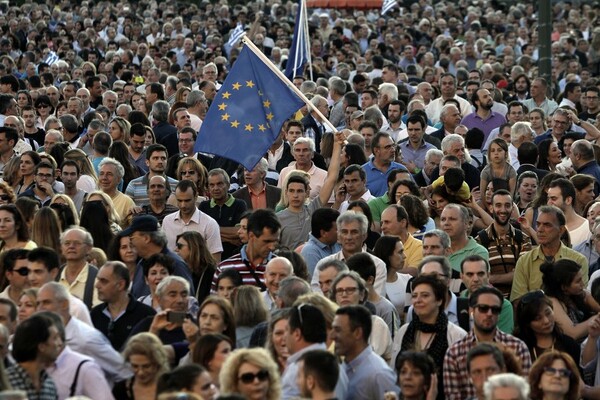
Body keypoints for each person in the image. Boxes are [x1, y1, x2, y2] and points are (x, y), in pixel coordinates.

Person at [443, 286, 531, 400]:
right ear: (471, 310)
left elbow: (525, 392)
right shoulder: (454, 352)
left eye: (495, 309)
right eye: (483, 308)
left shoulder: (517, 347)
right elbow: (453, 397)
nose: (489, 313)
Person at [37, 281, 131, 385]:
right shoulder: (41, 337)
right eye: (38, 303)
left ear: (64, 304)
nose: (40, 308)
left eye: (46, 302)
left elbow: (124, 371)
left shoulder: (87, 339)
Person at [391, 275, 467, 396]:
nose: (418, 300)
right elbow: (394, 373)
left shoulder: (456, 335)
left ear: (439, 300)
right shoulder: (404, 331)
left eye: (425, 295)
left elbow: (464, 383)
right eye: (414, 296)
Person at [511, 206, 589, 302]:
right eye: (538, 224)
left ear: (561, 230)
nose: (539, 229)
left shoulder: (578, 260)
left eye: (547, 225)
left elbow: (581, 297)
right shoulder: (524, 261)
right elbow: (518, 301)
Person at [330, 305, 399, 399]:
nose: (332, 336)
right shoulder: (343, 368)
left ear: (357, 333)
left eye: (338, 330)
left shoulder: (379, 375)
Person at [281, 303, 347, 399]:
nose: (284, 336)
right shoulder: (336, 364)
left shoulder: (298, 369)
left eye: (286, 330)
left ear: (297, 334)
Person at [123, 215, 194, 298]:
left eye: (132, 238)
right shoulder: (141, 263)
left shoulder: (176, 264)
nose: (131, 243)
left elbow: (188, 301)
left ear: (146, 238)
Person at [91, 261, 157, 351]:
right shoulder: (95, 314)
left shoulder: (146, 315)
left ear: (121, 285)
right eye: (98, 280)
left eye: (103, 281)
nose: (97, 285)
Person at [212, 209, 281, 290]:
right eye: (267, 241)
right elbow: (215, 301)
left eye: (275, 241)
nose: (272, 247)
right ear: (251, 236)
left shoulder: (282, 269)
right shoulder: (224, 268)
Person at [162, 180, 223, 261]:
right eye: (179, 200)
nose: (183, 205)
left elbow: (215, 260)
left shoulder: (209, 224)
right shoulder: (167, 221)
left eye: (187, 200)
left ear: (196, 197)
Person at [514, 290, 580, 364]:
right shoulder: (517, 348)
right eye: (538, 318)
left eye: (548, 313)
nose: (546, 321)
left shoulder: (569, 345)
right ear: (527, 323)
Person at [541, 259, 599, 341]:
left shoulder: (577, 293)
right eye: (578, 281)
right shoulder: (552, 302)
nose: (582, 284)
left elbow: (591, 300)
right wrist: (597, 318)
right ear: (564, 287)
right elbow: (573, 333)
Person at [7, 313, 60, 399]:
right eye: (55, 338)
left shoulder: (49, 385)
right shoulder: (6, 382)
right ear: (41, 346)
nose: (59, 343)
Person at [129, 276, 192, 345]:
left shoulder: (196, 325)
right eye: (173, 295)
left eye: (184, 295)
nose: (180, 300)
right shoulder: (148, 324)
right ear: (159, 299)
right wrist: (154, 330)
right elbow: (128, 352)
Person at [200, 169, 247, 259]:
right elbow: (201, 234)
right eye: (212, 185)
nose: (216, 188)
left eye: (220, 184)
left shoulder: (239, 204)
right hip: (209, 258)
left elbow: (239, 232)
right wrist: (228, 238)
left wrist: (210, 231)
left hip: (233, 257)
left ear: (228, 185)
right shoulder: (204, 206)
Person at [460, 255, 514, 333]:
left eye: (480, 274)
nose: (475, 279)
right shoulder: (459, 301)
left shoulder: (503, 305)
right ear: (462, 277)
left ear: (488, 275)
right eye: (470, 274)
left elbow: (504, 341)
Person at [112, 332, 169, 400]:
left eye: (146, 366)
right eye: (135, 366)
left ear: (157, 363)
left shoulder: (172, 388)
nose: (140, 372)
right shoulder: (121, 390)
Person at [373, 235, 412, 316]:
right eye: (400, 252)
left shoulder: (408, 279)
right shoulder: (376, 285)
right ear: (388, 255)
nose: (404, 256)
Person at [175, 231, 216, 304]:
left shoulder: (211, 272)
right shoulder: (178, 269)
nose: (176, 249)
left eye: (179, 246)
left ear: (193, 247)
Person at [300, 208, 341, 276]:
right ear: (324, 233)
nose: (340, 232)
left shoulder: (337, 244)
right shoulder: (310, 252)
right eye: (337, 229)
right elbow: (314, 282)